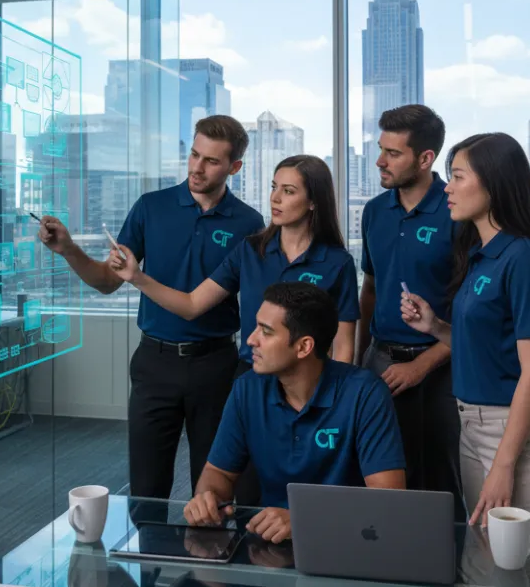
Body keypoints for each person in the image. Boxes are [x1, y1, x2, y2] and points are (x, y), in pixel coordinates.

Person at [38, 116, 264, 501]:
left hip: (217, 367)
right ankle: (147, 563)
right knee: (146, 490)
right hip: (155, 362)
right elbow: (109, 281)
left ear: (234, 168)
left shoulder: (249, 223)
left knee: (213, 493)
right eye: (194, 154)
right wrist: (69, 249)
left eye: (211, 161)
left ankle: (207, 561)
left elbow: (256, 305)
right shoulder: (151, 208)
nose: (197, 167)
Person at [111, 157, 359, 506]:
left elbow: (344, 348)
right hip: (253, 383)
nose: (275, 198)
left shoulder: (337, 264)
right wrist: (138, 278)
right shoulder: (251, 250)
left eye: (288, 191)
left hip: (311, 390)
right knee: (243, 493)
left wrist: (336, 406)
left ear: (313, 201)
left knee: (305, 490)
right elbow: (193, 304)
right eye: (274, 187)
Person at [401, 132, 530, 527]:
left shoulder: (524, 258)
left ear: (494, 183)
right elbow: (485, 346)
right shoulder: (480, 254)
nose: (448, 189)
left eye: (458, 177)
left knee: (515, 565)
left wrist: (504, 464)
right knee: (484, 557)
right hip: (472, 424)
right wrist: (435, 326)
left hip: (513, 431)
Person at [183, 282, 406, 544]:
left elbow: (389, 500)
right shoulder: (247, 389)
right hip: (270, 545)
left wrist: (304, 518)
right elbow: (218, 473)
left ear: (303, 347)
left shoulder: (366, 393)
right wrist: (207, 498)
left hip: (350, 541)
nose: (251, 340)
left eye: (265, 332)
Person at [357, 104, 465, 521]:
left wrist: (422, 365)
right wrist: (357, 357)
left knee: (442, 483)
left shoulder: (456, 211)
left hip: (442, 366)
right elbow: (370, 288)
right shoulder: (373, 212)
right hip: (380, 361)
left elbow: (470, 312)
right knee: (380, 476)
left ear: (425, 158)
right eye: (380, 149)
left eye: (393, 153)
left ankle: (450, 577)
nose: (381, 161)